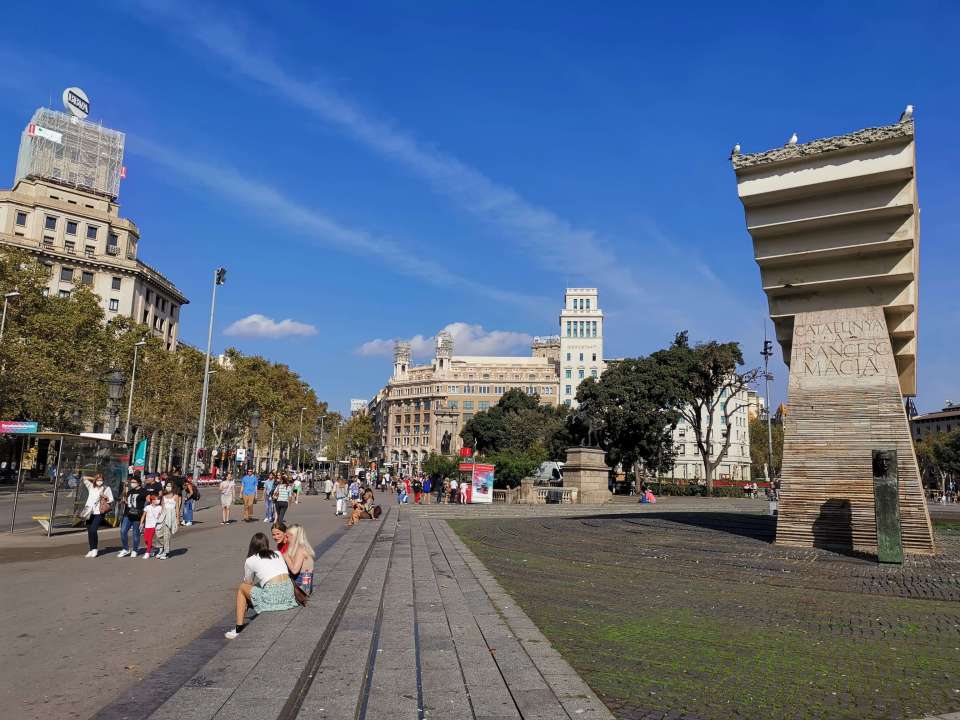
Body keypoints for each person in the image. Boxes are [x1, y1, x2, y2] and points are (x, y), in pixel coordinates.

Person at [226, 532, 299, 639]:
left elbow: (248, 583)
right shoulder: (277, 553)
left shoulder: (250, 560)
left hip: (273, 596)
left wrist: (247, 600)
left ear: (252, 546)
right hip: (289, 592)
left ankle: (238, 628)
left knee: (242, 588)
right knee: (261, 585)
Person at [82, 473, 114, 558]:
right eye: (98, 480)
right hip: (89, 512)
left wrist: (105, 497)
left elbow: (111, 499)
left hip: (99, 512)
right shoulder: (91, 487)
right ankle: (91, 549)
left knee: (93, 529)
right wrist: (95, 478)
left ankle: (95, 549)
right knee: (89, 531)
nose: (100, 481)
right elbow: (84, 478)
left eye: (101, 480)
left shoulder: (106, 488)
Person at [283, 524, 315, 596]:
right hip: (304, 585)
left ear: (294, 536)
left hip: (302, 588)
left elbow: (294, 570)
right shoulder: (300, 548)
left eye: (287, 536)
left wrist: (286, 556)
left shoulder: (301, 550)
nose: (286, 538)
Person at [118, 476, 146, 558]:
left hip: (137, 515)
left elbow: (147, 501)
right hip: (128, 514)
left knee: (135, 534)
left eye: (134, 482)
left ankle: (135, 549)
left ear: (139, 483)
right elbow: (128, 502)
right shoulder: (130, 492)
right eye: (131, 482)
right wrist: (124, 501)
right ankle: (126, 549)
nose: (132, 484)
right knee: (123, 531)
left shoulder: (143, 491)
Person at [156, 482, 180, 559]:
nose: (168, 487)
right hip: (163, 515)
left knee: (167, 535)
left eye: (169, 486)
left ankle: (166, 552)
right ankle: (161, 548)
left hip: (170, 516)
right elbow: (162, 507)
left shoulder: (176, 496)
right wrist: (159, 516)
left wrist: (177, 519)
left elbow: (177, 508)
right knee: (158, 533)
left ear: (173, 487)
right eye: (167, 486)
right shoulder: (164, 496)